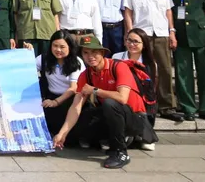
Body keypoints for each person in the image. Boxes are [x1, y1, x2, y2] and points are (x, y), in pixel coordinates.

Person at [52, 35, 158, 169]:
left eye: (94, 52)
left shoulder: (118, 66)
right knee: (84, 116)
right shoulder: (86, 74)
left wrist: (95, 90)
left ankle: (120, 152)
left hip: (135, 118)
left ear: (102, 53)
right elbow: (76, 107)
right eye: (86, 53)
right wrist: (62, 134)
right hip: (113, 116)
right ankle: (106, 139)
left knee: (110, 103)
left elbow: (122, 98)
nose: (90, 56)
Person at [123, 0, 180, 122]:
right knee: (142, 70)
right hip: (142, 34)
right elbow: (128, 11)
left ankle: (167, 106)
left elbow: (168, 10)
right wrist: (131, 33)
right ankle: (145, 104)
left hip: (161, 32)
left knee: (165, 69)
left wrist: (172, 31)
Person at [111, 28, 158, 151]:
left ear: (144, 44)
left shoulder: (150, 62)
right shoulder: (117, 57)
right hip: (121, 94)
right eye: (129, 40)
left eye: (136, 41)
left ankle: (144, 136)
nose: (132, 44)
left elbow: (152, 87)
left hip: (142, 97)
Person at [37, 31, 85, 142]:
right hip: (50, 97)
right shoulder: (44, 59)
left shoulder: (77, 62)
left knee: (71, 140)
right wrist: (27, 51)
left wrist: (56, 102)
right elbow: (26, 66)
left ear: (70, 47)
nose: (58, 50)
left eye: (62, 47)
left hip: (69, 100)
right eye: (55, 46)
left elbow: (73, 88)